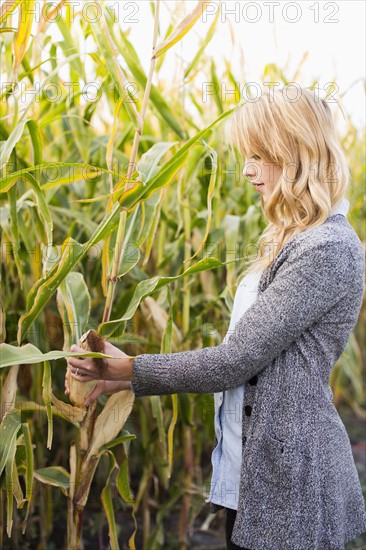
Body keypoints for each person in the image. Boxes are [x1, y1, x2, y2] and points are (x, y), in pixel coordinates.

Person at [65, 86, 366, 550]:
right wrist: (117, 376)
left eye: (259, 155)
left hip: (291, 484)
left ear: (297, 151)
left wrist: (128, 372)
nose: (246, 170)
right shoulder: (294, 238)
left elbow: (235, 361)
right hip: (256, 474)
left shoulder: (326, 249)